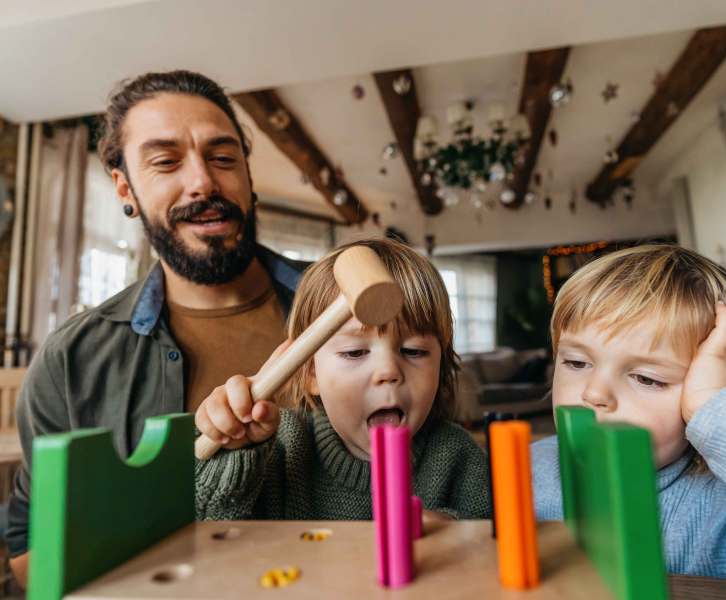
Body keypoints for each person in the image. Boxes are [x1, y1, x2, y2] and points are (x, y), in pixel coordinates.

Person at [6, 70, 305, 586]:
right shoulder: (71, 362)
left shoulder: (343, 316)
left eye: (223, 157)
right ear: (126, 186)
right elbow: (30, 556)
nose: (204, 183)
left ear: (248, 178)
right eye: (166, 161)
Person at [533, 244, 726, 594]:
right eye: (576, 363)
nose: (594, 393)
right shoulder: (528, 467)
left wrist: (720, 411)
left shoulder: (723, 516)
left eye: (647, 378)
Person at [194, 238, 489, 521]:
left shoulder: (458, 456)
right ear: (310, 373)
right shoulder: (281, 446)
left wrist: (452, 528)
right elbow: (208, 525)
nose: (388, 371)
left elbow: (490, 539)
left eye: (414, 351)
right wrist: (234, 453)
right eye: (355, 352)